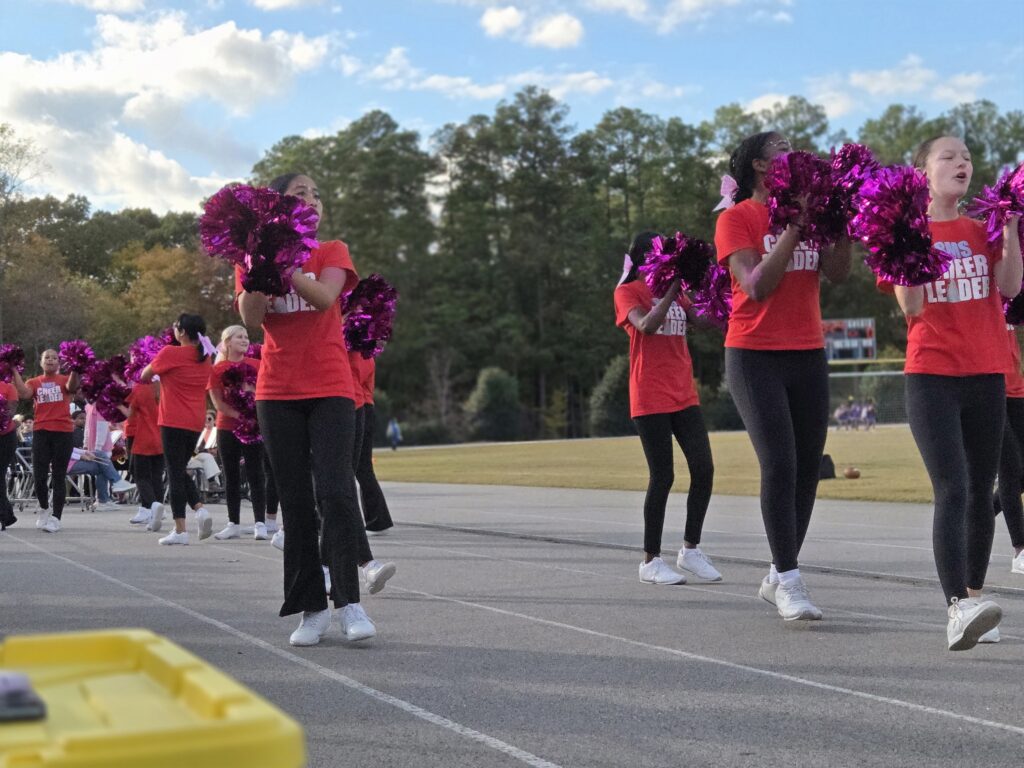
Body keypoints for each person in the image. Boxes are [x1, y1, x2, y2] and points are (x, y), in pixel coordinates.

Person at [888, 135, 1021, 650]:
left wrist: (1009, 226)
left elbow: (1009, 288)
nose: (962, 162)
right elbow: (912, 305)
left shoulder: (981, 228)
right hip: (932, 376)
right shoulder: (904, 229)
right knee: (955, 488)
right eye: (948, 156)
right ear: (922, 172)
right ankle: (955, 607)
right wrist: (909, 242)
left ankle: (975, 599)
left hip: (988, 374)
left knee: (980, 487)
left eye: (967, 156)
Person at [238, 172, 382, 646]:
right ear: (276, 204)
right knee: (296, 502)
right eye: (301, 192)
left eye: (318, 193)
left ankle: (350, 603)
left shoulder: (332, 250)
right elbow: (252, 318)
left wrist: (287, 265)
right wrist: (262, 265)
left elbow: (322, 298)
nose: (313, 199)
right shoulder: (248, 260)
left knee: (338, 492)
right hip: (276, 392)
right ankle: (310, 609)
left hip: (330, 386)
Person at [714, 131, 851, 620]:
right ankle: (791, 581)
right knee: (779, 463)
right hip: (755, 355)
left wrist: (837, 217)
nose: (794, 153)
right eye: (781, 148)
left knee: (807, 469)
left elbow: (837, 272)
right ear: (757, 165)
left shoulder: (808, 211)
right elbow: (756, 287)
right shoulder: (737, 219)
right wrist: (794, 225)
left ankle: (779, 572)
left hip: (808, 353)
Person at [613, 231, 719, 585]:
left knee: (703, 469)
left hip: (683, 393)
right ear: (647, 259)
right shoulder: (628, 291)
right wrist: (672, 289)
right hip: (649, 395)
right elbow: (646, 324)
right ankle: (650, 561)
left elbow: (702, 322)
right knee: (663, 477)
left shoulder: (680, 294)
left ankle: (690, 550)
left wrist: (724, 299)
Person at [140, 314, 215, 545]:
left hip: (173, 419)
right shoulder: (206, 355)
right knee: (178, 468)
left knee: (173, 472)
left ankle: (180, 529)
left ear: (181, 331)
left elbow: (144, 375)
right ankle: (200, 509)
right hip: (195, 420)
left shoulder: (171, 352)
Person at [208, 325, 269, 541]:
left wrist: (252, 406)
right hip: (227, 427)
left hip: (254, 427)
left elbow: (266, 393)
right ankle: (233, 522)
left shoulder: (257, 365)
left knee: (256, 473)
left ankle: (260, 523)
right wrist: (240, 416)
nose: (244, 340)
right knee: (231, 474)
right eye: (238, 337)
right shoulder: (217, 369)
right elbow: (218, 403)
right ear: (227, 343)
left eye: (246, 337)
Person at [12, 349, 83, 533]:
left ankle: (56, 518)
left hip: (63, 432)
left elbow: (73, 387)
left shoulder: (65, 379)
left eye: (54, 358)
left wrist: (75, 368)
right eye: (47, 358)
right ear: (41, 362)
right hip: (42, 432)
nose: (50, 360)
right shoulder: (34, 382)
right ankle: (44, 508)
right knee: (39, 476)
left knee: (59, 476)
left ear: (59, 362)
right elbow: (24, 394)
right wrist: (13, 370)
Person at [354, 356, 394, 535]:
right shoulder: (365, 352)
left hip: (359, 407)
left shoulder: (358, 353)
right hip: (363, 406)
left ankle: (377, 519)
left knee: (361, 468)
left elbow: (353, 377)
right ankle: (377, 519)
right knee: (362, 468)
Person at [67, 402, 135, 509]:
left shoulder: (90, 407)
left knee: (102, 466)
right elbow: (101, 427)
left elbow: (86, 431)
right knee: (102, 465)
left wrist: (84, 451)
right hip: (69, 462)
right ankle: (113, 485)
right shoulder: (99, 406)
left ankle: (104, 498)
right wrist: (85, 454)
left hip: (82, 453)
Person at [123, 369, 165, 530]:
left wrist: (116, 403)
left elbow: (128, 413)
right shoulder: (162, 388)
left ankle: (152, 506)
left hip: (142, 437)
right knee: (155, 476)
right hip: (160, 438)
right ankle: (154, 507)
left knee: (139, 474)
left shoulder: (140, 389)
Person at [0, 376, 19, 530]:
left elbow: (11, 411)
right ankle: (7, 515)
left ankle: (3, 515)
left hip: (5, 437)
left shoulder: (8, 387)